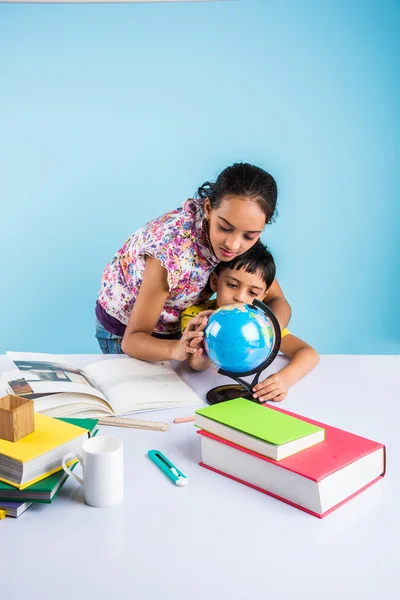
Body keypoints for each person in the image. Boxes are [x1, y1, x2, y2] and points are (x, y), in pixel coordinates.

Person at [95, 162, 292, 361]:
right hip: (127, 331)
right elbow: (133, 341)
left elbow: (278, 301)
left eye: (249, 236)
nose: (233, 245)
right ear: (208, 208)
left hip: (182, 327)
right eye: (224, 228)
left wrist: (265, 330)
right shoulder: (171, 253)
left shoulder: (236, 238)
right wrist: (176, 349)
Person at [181, 242, 319, 403]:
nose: (240, 297)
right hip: (202, 392)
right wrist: (199, 355)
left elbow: (309, 354)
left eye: (252, 292)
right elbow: (196, 366)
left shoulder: (260, 325)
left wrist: (283, 380)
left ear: (263, 296)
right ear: (215, 281)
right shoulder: (195, 316)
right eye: (232, 285)